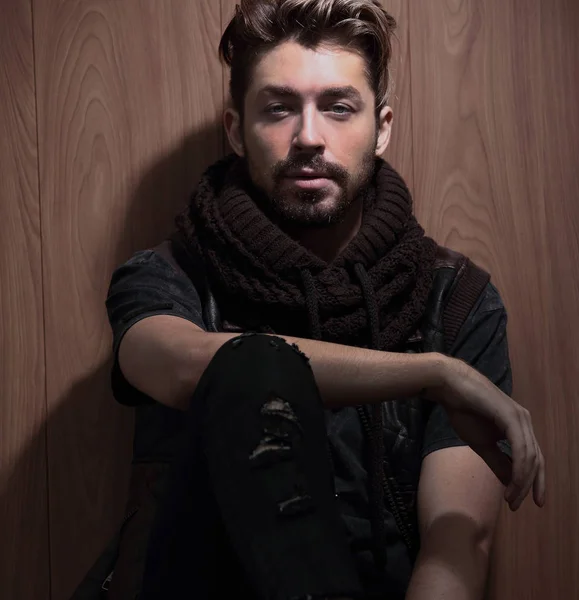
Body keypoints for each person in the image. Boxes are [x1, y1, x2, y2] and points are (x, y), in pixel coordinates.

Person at [104, 1, 545, 599]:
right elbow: (185, 366)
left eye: (338, 108)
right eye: (279, 108)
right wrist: (431, 375)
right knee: (253, 364)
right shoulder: (169, 278)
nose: (309, 137)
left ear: (382, 127)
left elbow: (458, 544)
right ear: (236, 129)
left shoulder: (455, 298)